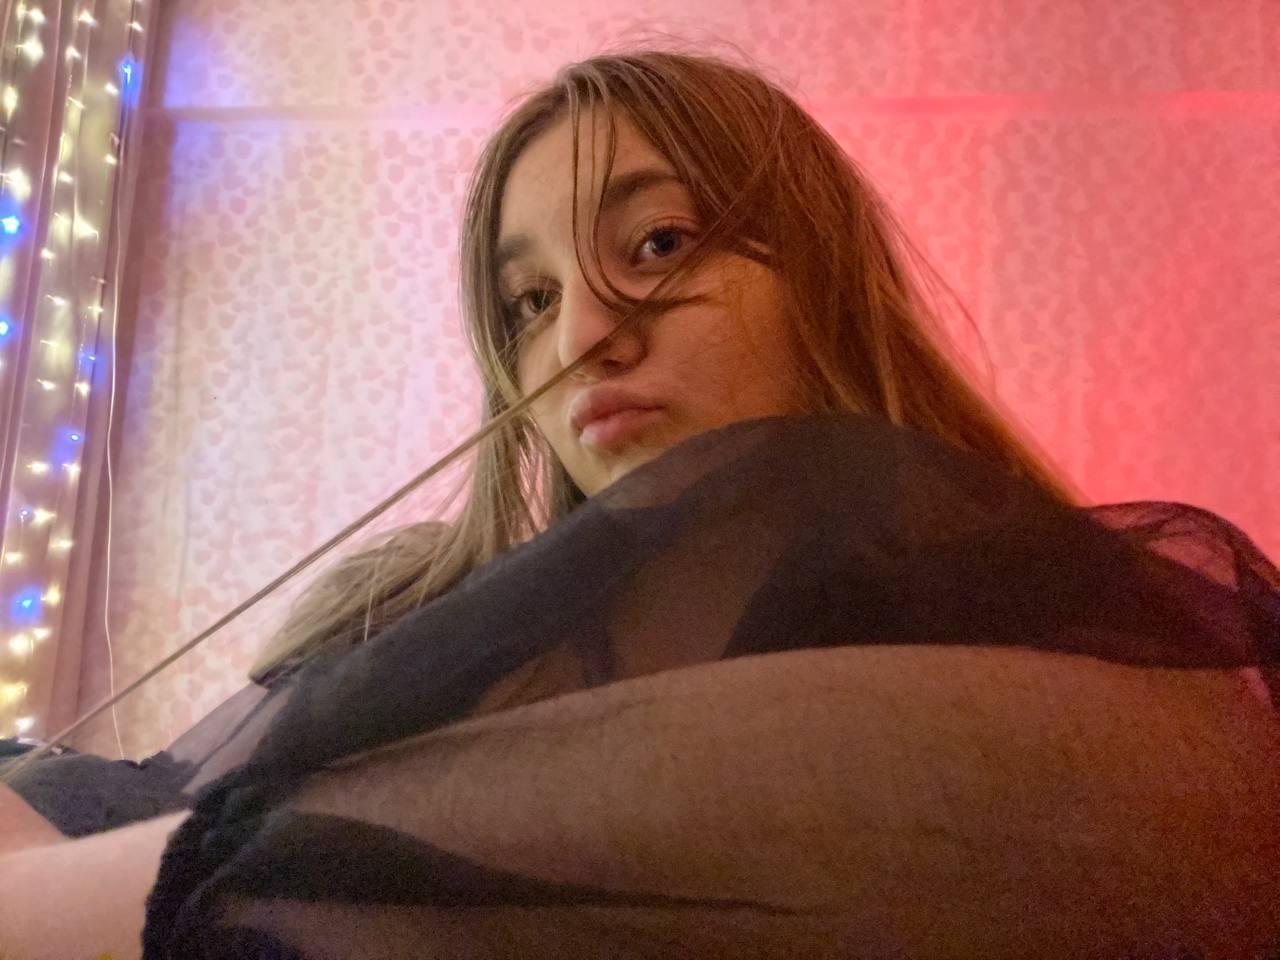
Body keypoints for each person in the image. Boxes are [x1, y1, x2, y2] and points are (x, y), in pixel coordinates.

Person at [2, 43, 1278, 959]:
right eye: (530, 301)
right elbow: (136, 810)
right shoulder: (398, 606)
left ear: (823, 280)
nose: (582, 340)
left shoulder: (1078, 665)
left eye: (658, 244)